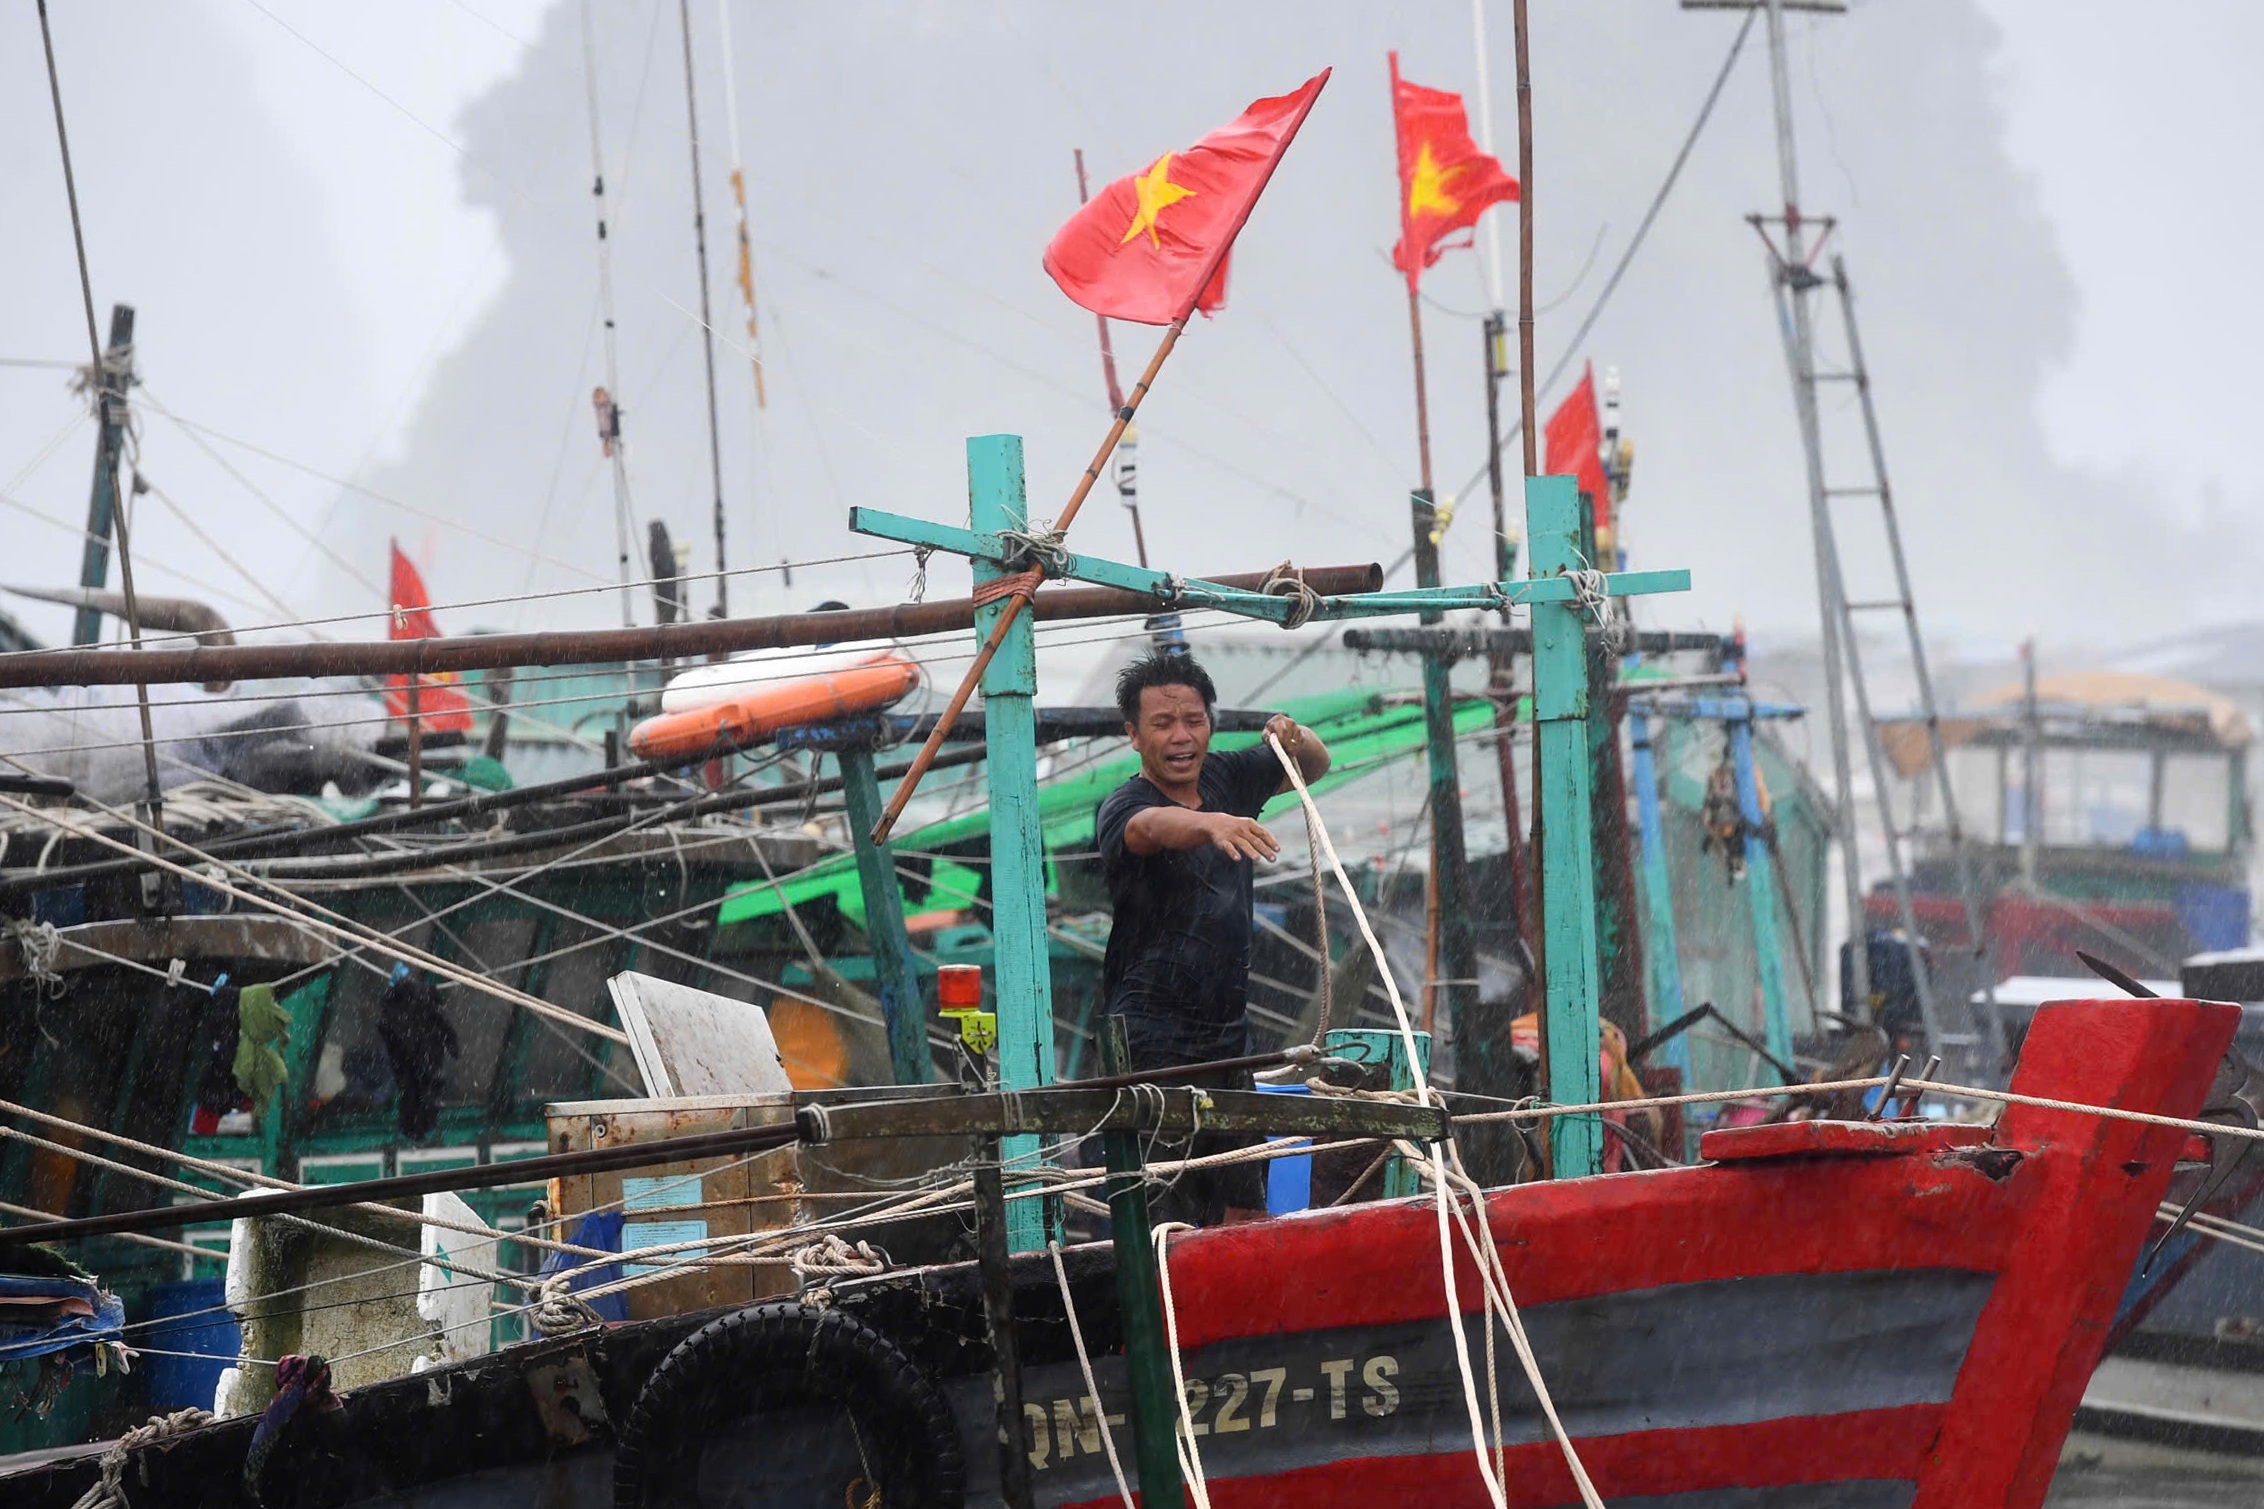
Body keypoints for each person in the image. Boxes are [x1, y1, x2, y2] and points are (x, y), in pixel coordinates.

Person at [1095, 650, 1331, 1224]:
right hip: (1152, 1038)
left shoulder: (1227, 775)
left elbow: (1316, 765)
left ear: (1210, 723)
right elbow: (1148, 828)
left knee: (1243, 1208)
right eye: (1162, 723)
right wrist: (1211, 823)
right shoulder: (1126, 804)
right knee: (1160, 1215)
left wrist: (1293, 735)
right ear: (1133, 735)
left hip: (1227, 1039)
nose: (1181, 737)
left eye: (1193, 720)